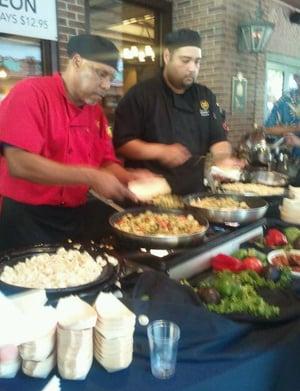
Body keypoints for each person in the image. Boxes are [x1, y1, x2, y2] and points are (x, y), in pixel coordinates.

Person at [0, 34, 153, 252]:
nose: (106, 85)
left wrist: (129, 177)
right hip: (26, 219)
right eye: (101, 74)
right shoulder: (31, 93)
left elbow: (105, 162)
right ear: (77, 61)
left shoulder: (96, 114)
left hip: (73, 216)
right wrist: (90, 176)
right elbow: (19, 163)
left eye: (111, 77)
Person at [113, 28, 243, 195]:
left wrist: (223, 160)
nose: (192, 68)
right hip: (151, 191)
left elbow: (218, 138)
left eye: (197, 62)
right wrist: (160, 151)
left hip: (195, 192)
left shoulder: (205, 96)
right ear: (167, 57)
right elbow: (122, 144)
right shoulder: (141, 94)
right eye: (185, 60)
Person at [264, 73, 300, 156]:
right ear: (296, 79)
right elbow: (268, 128)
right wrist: (294, 128)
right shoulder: (286, 100)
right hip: (289, 159)